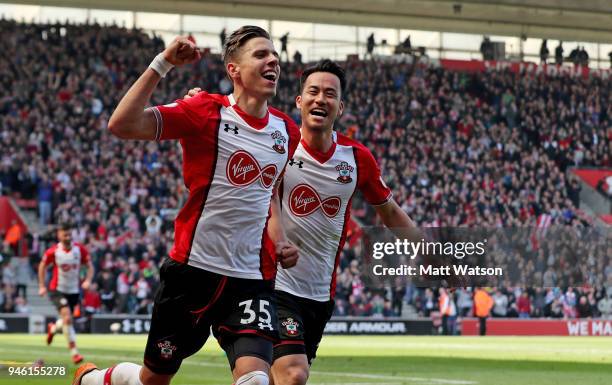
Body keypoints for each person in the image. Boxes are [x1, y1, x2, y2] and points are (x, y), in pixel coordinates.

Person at [74, 26, 300, 385]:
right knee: (153, 379)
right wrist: (162, 63)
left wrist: (282, 239)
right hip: (192, 273)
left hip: (251, 280)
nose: (273, 59)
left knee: (257, 379)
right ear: (234, 71)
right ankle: (94, 379)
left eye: (274, 55)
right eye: (260, 54)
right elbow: (122, 124)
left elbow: (268, 193)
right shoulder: (204, 111)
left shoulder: (287, 131)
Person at [187, 59, 420, 385]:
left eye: (329, 94)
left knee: (267, 376)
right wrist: (201, 103)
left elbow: (391, 212)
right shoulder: (277, 142)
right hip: (273, 283)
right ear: (299, 100)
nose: (320, 99)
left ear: (340, 107)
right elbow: (237, 132)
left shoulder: (356, 158)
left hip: (319, 295)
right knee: (293, 374)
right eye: (312, 91)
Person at [38, 222, 94, 364]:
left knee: (65, 321)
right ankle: (75, 353)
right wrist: (41, 285)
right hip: (57, 289)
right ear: (59, 234)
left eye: (69, 234)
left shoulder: (79, 250)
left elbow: (90, 266)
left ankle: (53, 328)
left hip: (73, 291)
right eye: (65, 234)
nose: (67, 236)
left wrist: (88, 280)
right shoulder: (53, 251)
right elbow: (42, 266)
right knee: (68, 318)